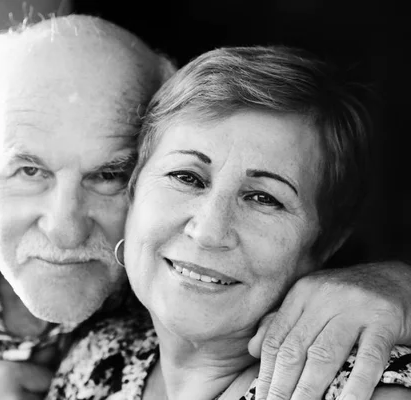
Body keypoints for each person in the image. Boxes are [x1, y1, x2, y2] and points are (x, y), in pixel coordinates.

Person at [0, 15, 409, 400]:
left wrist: (397, 285)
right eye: (28, 170)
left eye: (108, 174)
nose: (65, 227)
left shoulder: (346, 369)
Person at [46, 45, 411, 400]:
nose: (208, 232)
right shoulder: (95, 355)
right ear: (133, 189)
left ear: (324, 243)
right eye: (187, 177)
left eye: (264, 198)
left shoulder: (370, 387)